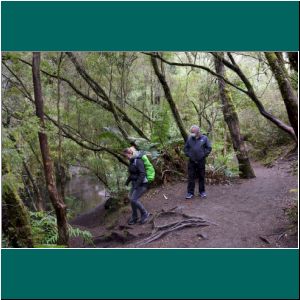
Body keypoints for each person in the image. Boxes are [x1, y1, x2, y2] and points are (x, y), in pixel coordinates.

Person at [123, 147, 150, 225]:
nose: (126, 158)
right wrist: (127, 182)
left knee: (134, 200)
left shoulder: (138, 160)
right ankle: (135, 216)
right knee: (131, 198)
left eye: (126, 155)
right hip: (135, 184)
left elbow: (142, 174)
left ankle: (145, 213)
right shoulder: (132, 161)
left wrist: (137, 185)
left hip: (142, 184)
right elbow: (132, 174)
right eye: (125, 156)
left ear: (130, 153)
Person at [184, 125, 212, 199]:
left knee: (201, 176)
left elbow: (209, 148)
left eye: (193, 132)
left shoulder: (204, 138)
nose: (192, 133)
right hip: (191, 161)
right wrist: (189, 155)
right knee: (191, 177)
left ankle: (202, 192)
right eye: (191, 132)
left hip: (201, 161)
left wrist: (203, 154)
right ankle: (190, 193)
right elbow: (186, 148)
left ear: (198, 131)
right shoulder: (190, 138)